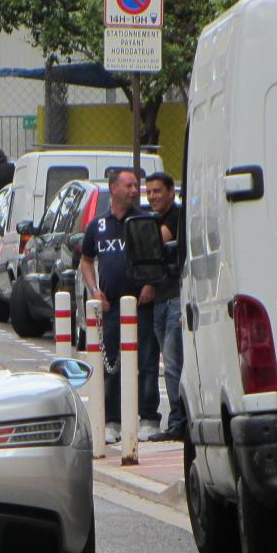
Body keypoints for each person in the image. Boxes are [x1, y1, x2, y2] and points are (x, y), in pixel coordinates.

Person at [79, 168, 162, 444]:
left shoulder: (144, 220)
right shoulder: (98, 225)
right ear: (113, 189)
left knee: (147, 361)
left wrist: (150, 283)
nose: (135, 190)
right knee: (111, 364)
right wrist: (95, 290)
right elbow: (87, 260)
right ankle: (112, 421)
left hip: (141, 304)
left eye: (136, 186)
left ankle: (149, 418)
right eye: (129, 185)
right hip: (111, 307)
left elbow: (156, 257)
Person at [144, 172, 186, 441]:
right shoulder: (152, 219)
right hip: (159, 299)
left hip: (174, 298)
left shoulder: (176, 216)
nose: (152, 196)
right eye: (148, 192)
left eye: (157, 191)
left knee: (173, 363)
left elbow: (154, 242)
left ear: (172, 192)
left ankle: (179, 421)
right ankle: (177, 418)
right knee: (168, 361)